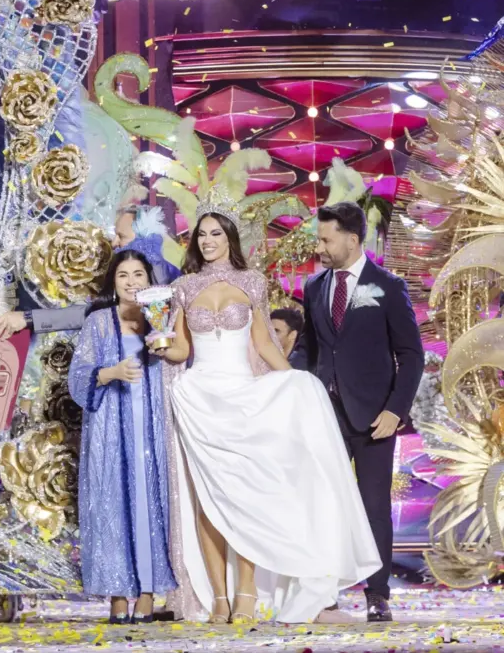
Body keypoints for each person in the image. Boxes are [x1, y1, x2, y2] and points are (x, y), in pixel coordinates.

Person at [153, 204, 380, 625]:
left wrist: (297, 384)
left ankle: (246, 595)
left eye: (216, 234)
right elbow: (183, 349)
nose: (207, 241)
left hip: (243, 396)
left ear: (229, 239)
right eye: (201, 235)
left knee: (244, 500)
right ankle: (218, 598)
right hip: (200, 398)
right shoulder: (183, 287)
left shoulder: (252, 282)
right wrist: (162, 344)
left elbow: (264, 345)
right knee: (207, 501)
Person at [300, 202, 425, 623]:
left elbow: (411, 355)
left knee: (373, 506)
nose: (319, 246)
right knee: (323, 505)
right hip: (326, 416)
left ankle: (377, 593)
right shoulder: (315, 288)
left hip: (375, 419)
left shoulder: (388, 286)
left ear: (352, 240)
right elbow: (311, 351)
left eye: (326, 238)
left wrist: (395, 410)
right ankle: (324, 591)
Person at [68, 249, 176, 624]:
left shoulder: (162, 317)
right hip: (111, 429)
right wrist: (109, 372)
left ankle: (147, 593)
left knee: (152, 505)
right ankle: (118, 595)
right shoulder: (98, 322)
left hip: (154, 429)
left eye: (139, 275)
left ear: (150, 280)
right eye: (124, 276)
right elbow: (77, 377)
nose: (132, 283)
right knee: (112, 503)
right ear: (113, 283)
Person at [0, 204, 179, 340]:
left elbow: (87, 315)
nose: (114, 243)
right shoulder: (135, 272)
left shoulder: (160, 278)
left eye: (121, 236)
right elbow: (92, 314)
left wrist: (28, 318)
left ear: (142, 237)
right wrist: (28, 318)